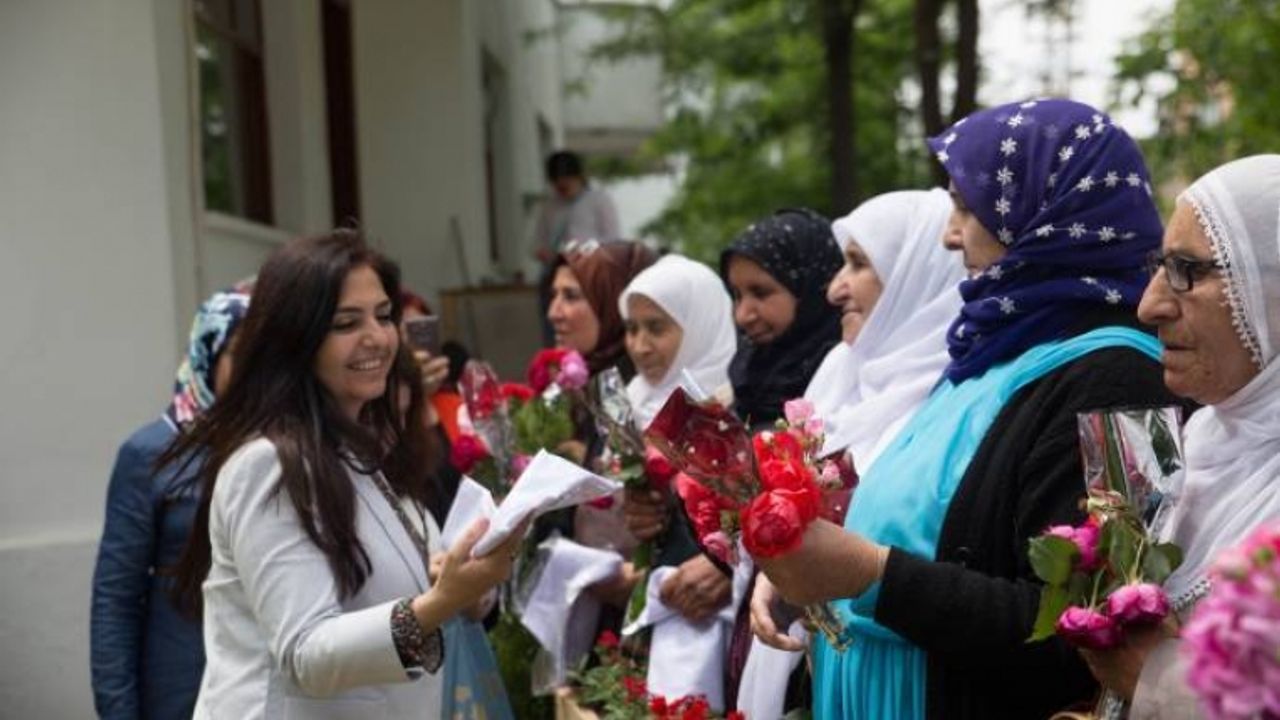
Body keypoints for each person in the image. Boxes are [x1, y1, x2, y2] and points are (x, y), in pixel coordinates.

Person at [751, 99, 1188, 719]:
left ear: (1042, 212)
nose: (949, 234)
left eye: (965, 205)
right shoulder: (997, 352)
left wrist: (869, 574)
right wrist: (815, 574)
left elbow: (1079, 634)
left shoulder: (1117, 377)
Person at [158, 230, 523, 719]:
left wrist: (465, 590)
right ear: (297, 340)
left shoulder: (364, 453)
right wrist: (442, 599)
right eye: (347, 323)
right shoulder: (267, 464)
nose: (377, 337)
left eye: (384, 316)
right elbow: (306, 653)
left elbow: (407, 591)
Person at [741, 188, 964, 719]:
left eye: (859, 264)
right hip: (811, 666)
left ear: (919, 273)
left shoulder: (953, 396)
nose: (836, 288)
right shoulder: (843, 370)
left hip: (897, 681)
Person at [1083, 155, 1280, 719]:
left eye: (1187, 270)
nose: (1149, 306)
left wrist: (1159, 679)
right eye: (1159, 266)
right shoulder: (1206, 437)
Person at [90, 286, 250, 720]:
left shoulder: (280, 449)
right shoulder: (150, 452)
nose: (254, 367)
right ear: (208, 351)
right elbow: (115, 598)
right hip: (180, 685)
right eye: (240, 351)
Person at [619, 254, 739, 619]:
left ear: (700, 325)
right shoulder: (631, 399)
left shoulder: (730, 408)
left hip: (709, 613)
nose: (639, 346)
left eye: (656, 328)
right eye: (632, 328)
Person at [719, 208, 844, 428]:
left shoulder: (848, 383)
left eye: (760, 292)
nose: (742, 316)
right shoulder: (746, 378)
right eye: (737, 295)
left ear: (809, 290)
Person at [534, 151, 621, 345]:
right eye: (557, 183)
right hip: (556, 273)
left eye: (567, 182)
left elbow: (613, 240)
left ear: (579, 177)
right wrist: (548, 254)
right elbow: (537, 244)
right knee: (555, 328)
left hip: (590, 273)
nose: (562, 187)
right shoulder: (549, 206)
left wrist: (587, 253)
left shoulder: (598, 200)